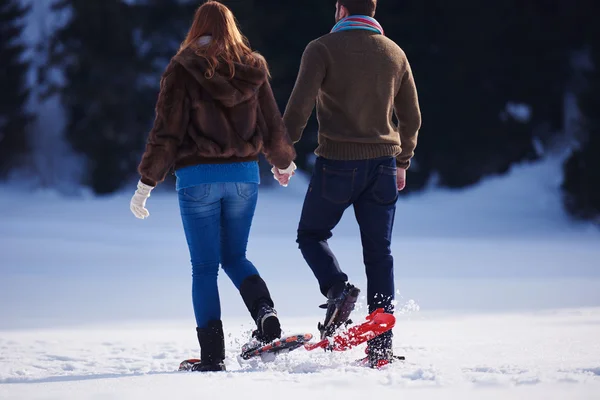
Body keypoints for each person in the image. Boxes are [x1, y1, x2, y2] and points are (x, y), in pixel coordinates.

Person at [129, 1, 297, 372]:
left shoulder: (182, 68)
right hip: (243, 178)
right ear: (231, 27)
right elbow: (272, 124)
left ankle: (212, 358)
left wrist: (147, 182)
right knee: (235, 256)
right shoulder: (253, 68)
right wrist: (283, 162)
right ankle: (265, 314)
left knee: (204, 267)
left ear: (197, 27)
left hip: (197, 180)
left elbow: (166, 132)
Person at [279, 0, 422, 368]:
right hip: (384, 166)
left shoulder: (322, 48)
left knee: (311, 234)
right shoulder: (395, 53)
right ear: (372, 11)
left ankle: (338, 289)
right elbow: (412, 117)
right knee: (379, 253)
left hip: (338, 164)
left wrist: (283, 156)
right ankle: (381, 350)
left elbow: (298, 109)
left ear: (341, 9)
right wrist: (402, 161)